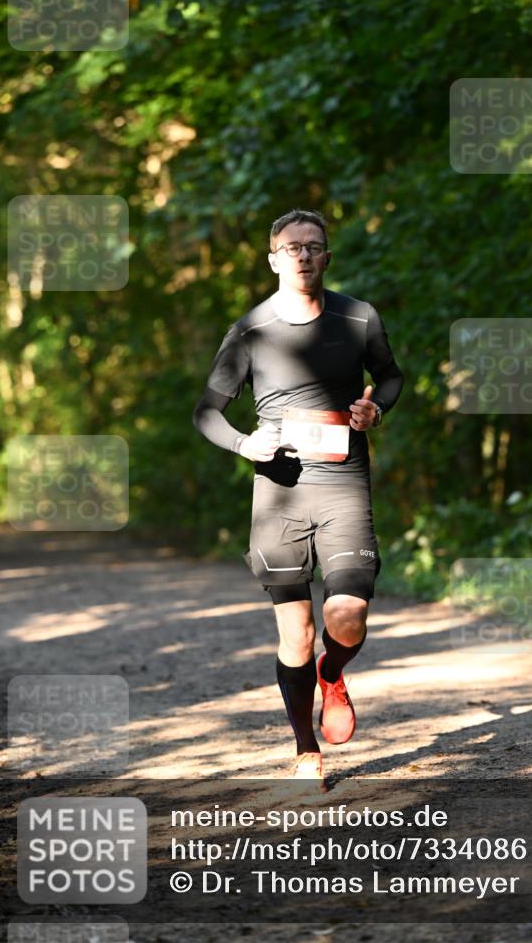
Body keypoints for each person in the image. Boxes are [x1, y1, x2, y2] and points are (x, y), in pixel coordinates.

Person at [193, 209, 404, 788]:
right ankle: (305, 745)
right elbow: (206, 412)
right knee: (297, 635)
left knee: (349, 616)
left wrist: (374, 409)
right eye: (292, 248)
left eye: (314, 247)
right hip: (280, 494)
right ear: (273, 259)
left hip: (342, 484)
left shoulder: (358, 317)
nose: (304, 256)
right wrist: (245, 444)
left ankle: (332, 675)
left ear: (328, 257)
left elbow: (390, 377)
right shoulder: (251, 329)